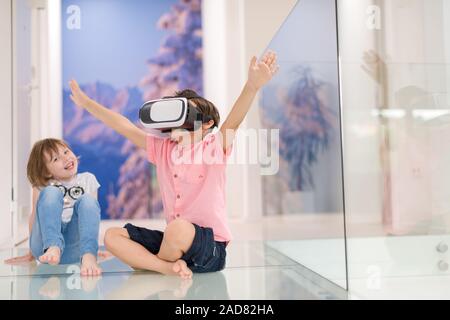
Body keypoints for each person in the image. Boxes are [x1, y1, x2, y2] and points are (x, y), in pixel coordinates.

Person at [68, 51, 279, 279]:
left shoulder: (214, 146)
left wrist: (252, 86)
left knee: (178, 228)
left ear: (207, 124)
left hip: (210, 248)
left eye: (186, 120)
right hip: (173, 241)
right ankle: (168, 267)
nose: (177, 129)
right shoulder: (164, 149)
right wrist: (87, 103)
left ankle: (154, 264)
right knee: (112, 236)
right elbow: (124, 126)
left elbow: (233, 122)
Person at [4, 139, 104, 276]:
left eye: (66, 152)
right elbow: (35, 216)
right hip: (44, 247)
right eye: (56, 159)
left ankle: (89, 256)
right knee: (51, 191)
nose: (66, 158)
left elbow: (91, 218)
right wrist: (31, 252)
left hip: (74, 249)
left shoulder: (88, 179)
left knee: (88, 201)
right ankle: (53, 246)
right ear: (46, 172)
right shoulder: (42, 185)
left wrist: (92, 247)